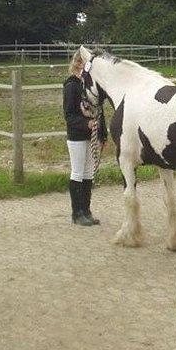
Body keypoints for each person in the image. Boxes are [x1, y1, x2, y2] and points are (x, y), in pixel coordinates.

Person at [63, 50, 106, 226]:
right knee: (78, 172)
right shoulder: (71, 86)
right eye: (84, 64)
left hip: (91, 136)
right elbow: (69, 115)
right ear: (78, 64)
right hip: (77, 136)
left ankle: (86, 210)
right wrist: (85, 124)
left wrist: (102, 135)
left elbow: (99, 112)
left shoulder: (89, 87)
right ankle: (77, 212)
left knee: (88, 173)